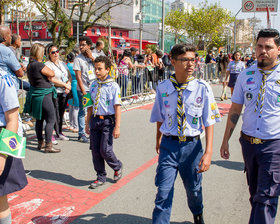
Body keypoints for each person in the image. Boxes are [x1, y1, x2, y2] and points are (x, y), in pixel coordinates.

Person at [150, 43, 221, 224]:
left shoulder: (202, 88)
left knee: (194, 190)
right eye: (185, 60)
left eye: (193, 59)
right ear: (173, 61)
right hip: (169, 145)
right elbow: (160, 117)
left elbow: (209, 121)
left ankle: (198, 213)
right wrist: (158, 139)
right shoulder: (163, 88)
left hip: (192, 147)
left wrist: (208, 152)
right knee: (163, 192)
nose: (191, 64)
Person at [220, 28, 280, 224]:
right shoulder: (247, 75)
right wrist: (225, 141)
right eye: (259, 46)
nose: (262, 51)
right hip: (248, 144)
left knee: (266, 197)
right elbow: (235, 109)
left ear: (278, 49)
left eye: (268, 47)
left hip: (274, 145)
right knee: (255, 194)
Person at [0, 26, 28, 224]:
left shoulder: (3, 78)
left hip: (2, 138)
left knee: (1, 198)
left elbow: (13, 119)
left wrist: (2, 156)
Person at [24, 43, 70, 153]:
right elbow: (51, 73)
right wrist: (49, 75)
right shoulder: (38, 65)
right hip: (44, 94)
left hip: (37, 94)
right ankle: (48, 144)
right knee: (51, 118)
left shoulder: (30, 65)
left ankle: (41, 142)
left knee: (40, 119)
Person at [85, 56, 123, 189]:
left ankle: (117, 166)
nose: (96, 71)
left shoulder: (113, 86)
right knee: (95, 150)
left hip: (108, 120)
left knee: (105, 150)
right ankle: (100, 176)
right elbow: (90, 105)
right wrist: (87, 122)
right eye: (95, 68)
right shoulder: (93, 84)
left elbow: (117, 107)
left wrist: (117, 127)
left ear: (107, 69)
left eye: (100, 69)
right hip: (95, 120)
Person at [73, 36, 98, 143]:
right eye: (80, 45)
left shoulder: (95, 56)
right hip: (84, 89)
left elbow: (102, 66)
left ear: (89, 46)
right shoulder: (78, 59)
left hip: (94, 88)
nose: (81, 47)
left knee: (93, 111)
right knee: (83, 111)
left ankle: (92, 131)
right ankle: (81, 133)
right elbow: (78, 76)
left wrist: (92, 58)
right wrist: (83, 91)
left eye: (84, 45)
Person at [45, 44, 72, 141]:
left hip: (64, 92)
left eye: (57, 51)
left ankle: (59, 132)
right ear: (49, 54)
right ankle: (52, 133)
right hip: (55, 91)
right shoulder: (48, 65)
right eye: (53, 52)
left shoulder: (62, 64)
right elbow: (51, 79)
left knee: (61, 112)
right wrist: (64, 85)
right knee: (54, 113)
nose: (56, 54)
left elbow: (69, 76)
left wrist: (68, 85)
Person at [67, 52, 79, 133]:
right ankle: (75, 125)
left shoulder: (66, 65)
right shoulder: (74, 66)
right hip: (75, 85)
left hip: (69, 85)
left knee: (71, 106)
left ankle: (71, 124)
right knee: (76, 107)